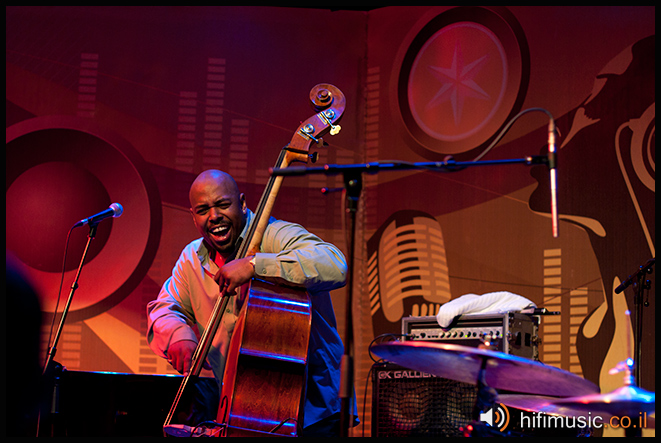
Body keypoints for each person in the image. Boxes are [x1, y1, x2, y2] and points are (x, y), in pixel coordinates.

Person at [147, 169, 355, 436]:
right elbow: (165, 307)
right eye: (203, 209)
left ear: (243, 204)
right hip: (244, 412)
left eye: (223, 204)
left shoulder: (275, 235)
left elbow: (334, 264)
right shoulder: (191, 258)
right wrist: (178, 335)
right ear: (193, 216)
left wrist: (256, 265)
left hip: (313, 412)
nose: (214, 216)